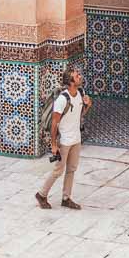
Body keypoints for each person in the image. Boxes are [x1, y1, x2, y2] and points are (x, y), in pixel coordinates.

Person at [34, 67, 90, 210]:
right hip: (64, 141)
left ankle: (66, 198)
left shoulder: (80, 93)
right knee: (58, 170)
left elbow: (80, 114)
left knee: (71, 169)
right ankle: (42, 194)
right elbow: (54, 123)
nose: (79, 76)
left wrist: (88, 105)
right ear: (70, 82)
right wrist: (54, 144)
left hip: (76, 139)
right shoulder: (62, 99)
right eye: (76, 76)